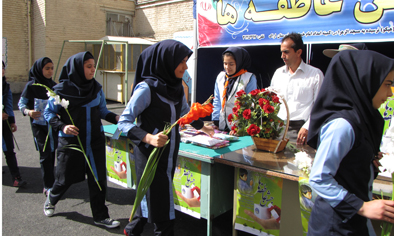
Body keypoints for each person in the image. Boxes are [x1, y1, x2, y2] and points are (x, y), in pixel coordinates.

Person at [117, 39, 214, 236]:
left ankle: (133, 228)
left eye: (186, 61)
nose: (185, 67)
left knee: (153, 197)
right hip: (150, 156)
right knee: (161, 209)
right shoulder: (146, 89)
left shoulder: (176, 87)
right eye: (182, 62)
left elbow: (184, 114)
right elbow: (124, 122)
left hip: (169, 154)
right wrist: (148, 138)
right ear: (166, 61)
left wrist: (203, 126)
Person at [307, 50, 394, 235]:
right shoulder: (342, 125)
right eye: (387, 84)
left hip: (351, 223)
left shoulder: (361, 119)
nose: (389, 93)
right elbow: (319, 178)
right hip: (334, 226)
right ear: (366, 80)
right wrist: (361, 207)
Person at [43, 51, 121, 228]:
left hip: (94, 142)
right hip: (72, 143)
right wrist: (63, 126)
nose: (93, 69)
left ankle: (100, 216)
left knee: (98, 179)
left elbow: (102, 111)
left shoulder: (96, 89)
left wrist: (117, 118)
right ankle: (52, 198)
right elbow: (49, 113)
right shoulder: (60, 91)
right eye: (88, 66)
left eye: (94, 66)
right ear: (78, 68)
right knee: (64, 178)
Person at [270, 32, 324, 144]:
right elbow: (272, 100)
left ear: (298, 52)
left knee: (298, 161)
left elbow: (320, 106)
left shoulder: (315, 74)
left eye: (286, 52)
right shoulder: (278, 73)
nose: (282, 56)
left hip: (300, 130)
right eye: (281, 52)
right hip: (278, 128)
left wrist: (307, 127)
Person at [18, 57, 57, 196]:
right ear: (40, 69)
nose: (50, 71)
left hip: (52, 126)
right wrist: (28, 112)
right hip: (39, 126)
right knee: (45, 154)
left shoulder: (54, 85)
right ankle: (48, 185)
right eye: (47, 68)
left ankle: (52, 181)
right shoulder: (31, 86)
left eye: (52, 68)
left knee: (52, 153)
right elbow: (21, 104)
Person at [212, 47, 258, 133]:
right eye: (225, 63)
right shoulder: (221, 77)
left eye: (231, 64)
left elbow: (251, 104)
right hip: (222, 125)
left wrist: (242, 127)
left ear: (239, 62)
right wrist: (216, 121)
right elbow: (217, 100)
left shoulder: (248, 78)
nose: (227, 67)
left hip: (239, 127)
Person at [2, 61, 27, 187]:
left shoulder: (5, 85)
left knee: (9, 150)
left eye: (2, 68)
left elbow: (8, 104)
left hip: (4, 123)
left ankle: (16, 177)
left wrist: (12, 121)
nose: (1, 70)